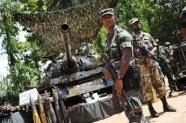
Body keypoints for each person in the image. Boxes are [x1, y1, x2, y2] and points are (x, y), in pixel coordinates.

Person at [100, 8, 145, 123]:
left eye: (110, 16)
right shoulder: (109, 39)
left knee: (135, 111)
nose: (108, 19)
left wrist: (119, 78)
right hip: (119, 78)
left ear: (115, 18)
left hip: (128, 77)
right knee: (129, 112)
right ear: (102, 22)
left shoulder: (122, 34)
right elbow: (109, 58)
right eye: (105, 18)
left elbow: (127, 56)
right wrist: (105, 68)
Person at [129, 18, 176, 118]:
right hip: (143, 66)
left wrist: (152, 52)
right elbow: (132, 53)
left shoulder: (147, 35)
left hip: (153, 63)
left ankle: (165, 105)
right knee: (147, 87)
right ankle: (151, 109)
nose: (137, 25)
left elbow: (155, 45)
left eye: (137, 23)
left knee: (160, 83)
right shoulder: (131, 39)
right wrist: (138, 52)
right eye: (134, 24)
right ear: (131, 27)